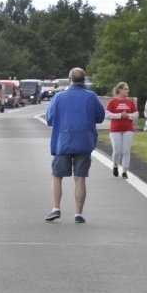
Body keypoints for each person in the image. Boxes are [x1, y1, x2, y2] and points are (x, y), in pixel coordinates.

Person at [45, 68, 105, 223]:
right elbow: (100, 117)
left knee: (57, 175)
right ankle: (78, 213)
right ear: (84, 80)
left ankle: (56, 208)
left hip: (63, 141)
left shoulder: (58, 97)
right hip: (84, 141)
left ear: (69, 78)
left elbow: (50, 119)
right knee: (80, 178)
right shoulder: (91, 96)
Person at [105, 82, 138, 180]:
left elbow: (136, 114)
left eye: (127, 89)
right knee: (117, 151)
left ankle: (124, 172)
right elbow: (107, 115)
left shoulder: (130, 102)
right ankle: (115, 165)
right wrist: (119, 115)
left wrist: (128, 116)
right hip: (115, 129)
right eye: (125, 89)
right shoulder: (112, 102)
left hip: (128, 128)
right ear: (119, 90)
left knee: (126, 150)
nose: (127, 91)